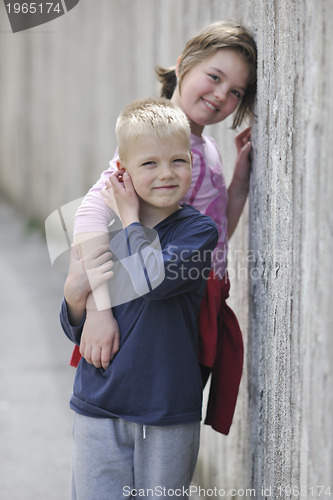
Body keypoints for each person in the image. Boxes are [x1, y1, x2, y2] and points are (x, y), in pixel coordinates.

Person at [71, 20, 257, 434]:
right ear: (183, 65)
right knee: (146, 419)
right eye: (214, 77)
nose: (220, 95)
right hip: (153, 301)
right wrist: (99, 310)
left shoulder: (204, 147)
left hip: (194, 297)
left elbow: (214, 230)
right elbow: (90, 216)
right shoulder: (153, 140)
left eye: (236, 92)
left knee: (171, 417)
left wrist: (238, 187)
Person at [61, 97, 218, 498]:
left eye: (178, 161)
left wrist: (131, 218)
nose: (166, 173)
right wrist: (80, 302)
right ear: (123, 172)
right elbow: (76, 327)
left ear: (192, 164)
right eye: (149, 163)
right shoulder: (103, 232)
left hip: (166, 409)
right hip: (99, 405)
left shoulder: (197, 233)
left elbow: (154, 279)